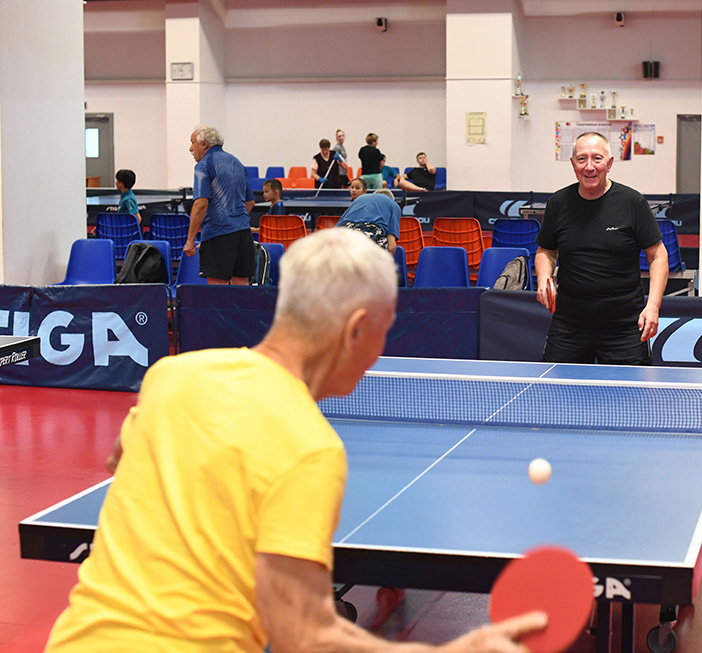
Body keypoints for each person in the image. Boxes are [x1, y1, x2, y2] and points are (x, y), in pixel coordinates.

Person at [44, 228, 545, 653]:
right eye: (384, 330)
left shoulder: (172, 377)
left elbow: (122, 462)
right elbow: (302, 635)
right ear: (357, 329)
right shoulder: (310, 448)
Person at [535, 132, 668, 365]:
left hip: (624, 326)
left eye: (597, 158)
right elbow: (546, 251)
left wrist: (653, 306)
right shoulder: (558, 203)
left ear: (609, 163)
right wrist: (544, 278)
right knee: (556, 386)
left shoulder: (632, 202)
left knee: (629, 388)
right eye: (582, 159)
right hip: (569, 324)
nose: (589, 167)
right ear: (573, 164)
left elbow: (658, 256)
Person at [184, 125, 256, 285]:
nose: (190, 148)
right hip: (243, 234)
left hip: (218, 234)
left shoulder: (203, 165)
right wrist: (235, 223)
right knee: (241, 286)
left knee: (217, 290)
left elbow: (200, 204)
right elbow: (250, 202)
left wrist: (190, 240)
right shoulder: (237, 163)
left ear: (204, 144)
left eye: (192, 142)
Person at [337, 188, 400, 253]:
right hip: (369, 234)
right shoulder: (393, 204)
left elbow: (337, 228)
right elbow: (391, 247)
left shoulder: (359, 199)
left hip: (342, 235)